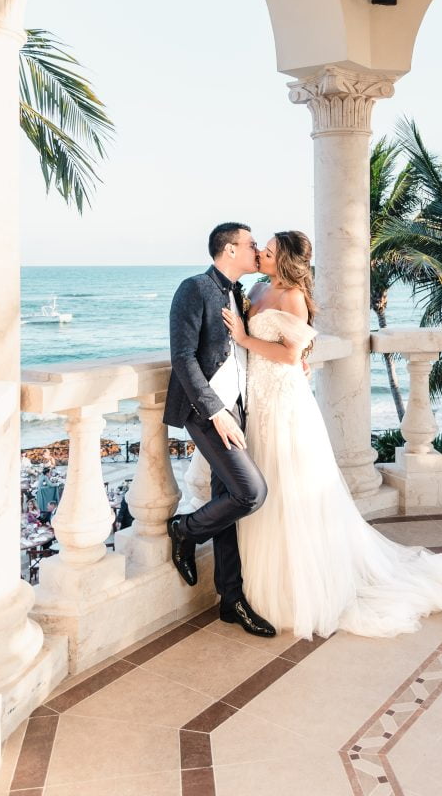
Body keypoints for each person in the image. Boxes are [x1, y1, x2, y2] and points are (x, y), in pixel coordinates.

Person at [221, 230, 442, 640]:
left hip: (284, 405)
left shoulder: (291, 296)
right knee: (269, 484)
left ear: (286, 262)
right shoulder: (256, 287)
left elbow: (292, 353)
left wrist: (244, 337)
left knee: (288, 487)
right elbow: (300, 349)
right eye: (263, 250)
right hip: (258, 399)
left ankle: (296, 589)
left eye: (269, 252)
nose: (261, 254)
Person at [163, 222, 276, 638]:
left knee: (228, 498)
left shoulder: (240, 292)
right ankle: (184, 530)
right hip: (207, 412)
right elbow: (182, 357)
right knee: (251, 493)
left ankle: (231, 600)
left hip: (240, 409)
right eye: (250, 244)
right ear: (229, 250)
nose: (256, 249)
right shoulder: (193, 289)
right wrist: (216, 411)